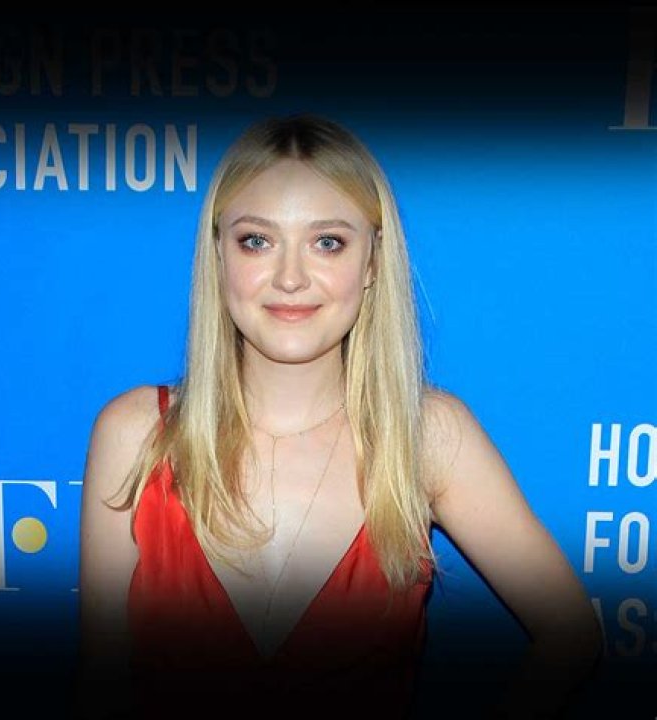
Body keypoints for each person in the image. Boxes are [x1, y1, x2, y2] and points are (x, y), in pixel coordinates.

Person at [76, 113, 603, 719]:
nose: (290, 278)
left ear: (373, 262)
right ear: (217, 254)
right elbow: (100, 682)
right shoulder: (138, 434)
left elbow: (572, 635)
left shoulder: (426, 438)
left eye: (327, 242)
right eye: (256, 241)